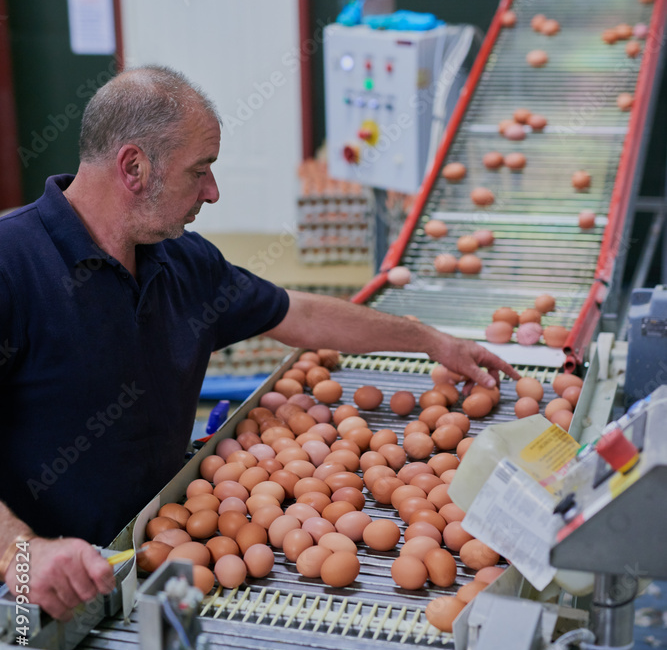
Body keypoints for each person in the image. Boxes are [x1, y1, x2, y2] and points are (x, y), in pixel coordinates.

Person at [0, 66, 518, 621]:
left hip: (159, 559)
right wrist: (20, 553)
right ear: (133, 167)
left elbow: (299, 314)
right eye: (200, 171)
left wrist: (428, 340)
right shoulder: (13, 265)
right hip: (43, 592)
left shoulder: (182, 262)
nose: (213, 192)